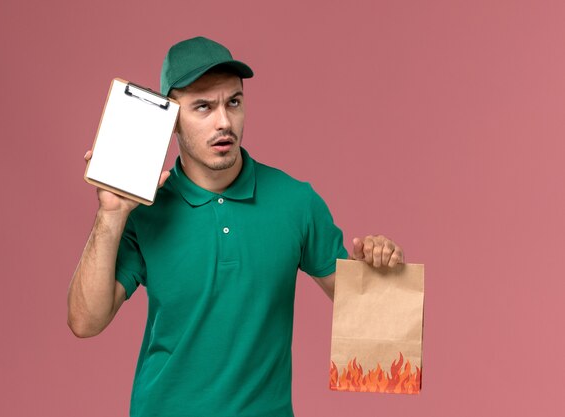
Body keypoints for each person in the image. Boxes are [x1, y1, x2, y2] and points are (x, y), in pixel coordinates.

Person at [68, 36, 404, 417]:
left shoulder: (296, 202)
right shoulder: (144, 210)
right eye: (203, 107)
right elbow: (85, 322)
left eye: (233, 102)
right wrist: (110, 215)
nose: (224, 121)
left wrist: (384, 269)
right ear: (171, 119)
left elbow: (379, 324)